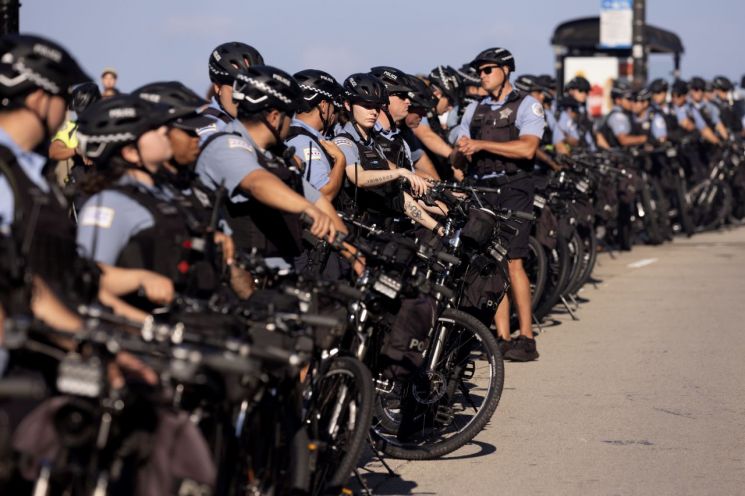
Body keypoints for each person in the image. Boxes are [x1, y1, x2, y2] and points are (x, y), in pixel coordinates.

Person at [195, 65, 337, 272]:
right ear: (274, 117)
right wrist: (308, 210)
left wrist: (353, 252)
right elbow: (257, 182)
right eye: (290, 114)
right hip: (242, 280)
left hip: (281, 275)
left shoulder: (273, 156)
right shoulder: (226, 146)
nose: (293, 122)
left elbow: (317, 198)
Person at [453, 47, 544, 362]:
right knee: (492, 263)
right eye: (479, 71)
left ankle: (527, 338)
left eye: (487, 69)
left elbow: (528, 149)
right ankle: (502, 339)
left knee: (515, 262)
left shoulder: (527, 105)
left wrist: (481, 144)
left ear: (506, 70)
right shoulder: (473, 110)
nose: (482, 76)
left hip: (514, 186)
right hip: (483, 187)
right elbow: (459, 152)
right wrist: (460, 151)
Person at [332, 72, 441, 233]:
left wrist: (438, 227)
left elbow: (399, 198)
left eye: (377, 106)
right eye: (366, 105)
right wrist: (400, 172)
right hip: (357, 234)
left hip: (382, 232)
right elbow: (359, 178)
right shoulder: (344, 142)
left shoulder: (374, 145)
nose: (373, 112)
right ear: (348, 105)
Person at [284, 69, 348, 201]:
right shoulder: (303, 141)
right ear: (323, 106)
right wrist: (341, 160)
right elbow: (325, 193)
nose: (333, 115)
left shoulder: (301, 136)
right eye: (333, 108)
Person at [198, 41, 264, 143]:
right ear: (217, 87)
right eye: (237, 86)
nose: (244, 95)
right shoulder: (208, 127)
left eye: (253, 86)